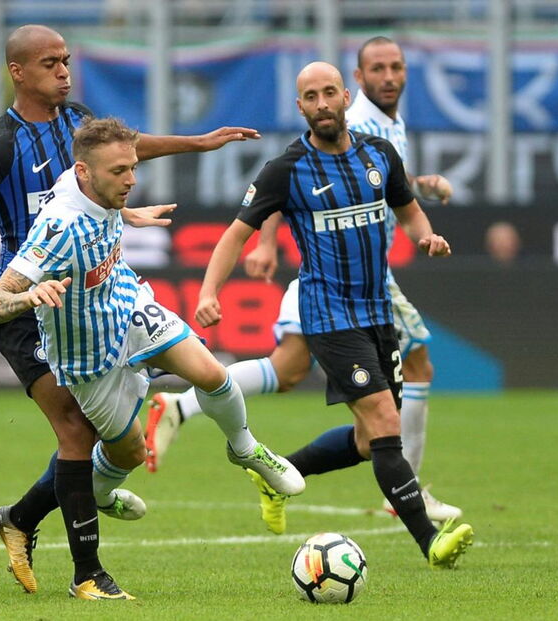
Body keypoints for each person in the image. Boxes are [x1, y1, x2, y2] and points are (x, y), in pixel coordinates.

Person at [0, 24, 263, 599]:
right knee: (75, 428)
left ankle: (21, 517)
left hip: (91, 300)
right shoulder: (3, 143)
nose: (64, 70)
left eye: (67, 60)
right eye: (50, 62)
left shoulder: (78, 120)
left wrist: (199, 143)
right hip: (26, 307)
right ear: (18, 72)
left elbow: (131, 146)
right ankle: (88, 575)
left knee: (116, 440)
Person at [0, 117, 305, 598]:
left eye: (132, 167)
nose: (131, 179)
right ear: (84, 173)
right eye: (120, 172)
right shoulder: (57, 227)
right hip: (87, 355)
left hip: (129, 307)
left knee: (211, 373)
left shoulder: (90, 184)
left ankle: (244, 447)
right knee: (128, 451)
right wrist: (29, 297)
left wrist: (126, 213)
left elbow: (108, 199)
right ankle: (102, 495)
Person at [145, 36, 463, 525]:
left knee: (290, 371)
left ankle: (208, 424)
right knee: (415, 368)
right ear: (355, 83)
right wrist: (267, 243)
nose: (389, 76)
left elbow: (382, 178)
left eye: (396, 66)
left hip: (356, 275)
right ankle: (409, 494)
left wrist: (421, 190)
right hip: (342, 280)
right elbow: (287, 185)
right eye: (377, 68)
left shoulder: (384, 131)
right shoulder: (344, 121)